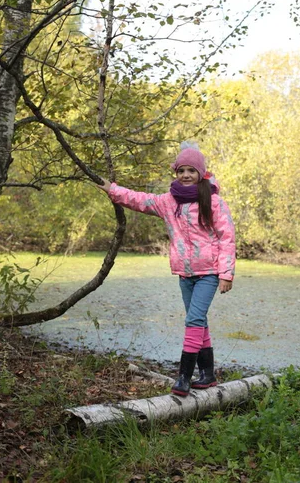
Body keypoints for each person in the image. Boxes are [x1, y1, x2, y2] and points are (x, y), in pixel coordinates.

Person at [97, 142, 236, 396]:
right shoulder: (168, 202)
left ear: (201, 173)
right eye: (181, 170)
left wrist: (226, 274)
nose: (186, 175)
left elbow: (227, 237)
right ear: (176, 172)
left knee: (193, 320)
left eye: (191, 171)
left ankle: (183, 377)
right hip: (185, 274)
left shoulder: (213, 201)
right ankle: (207, 375)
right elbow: (139, 200)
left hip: (209, 273)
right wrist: (112, 189)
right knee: (199, 321)